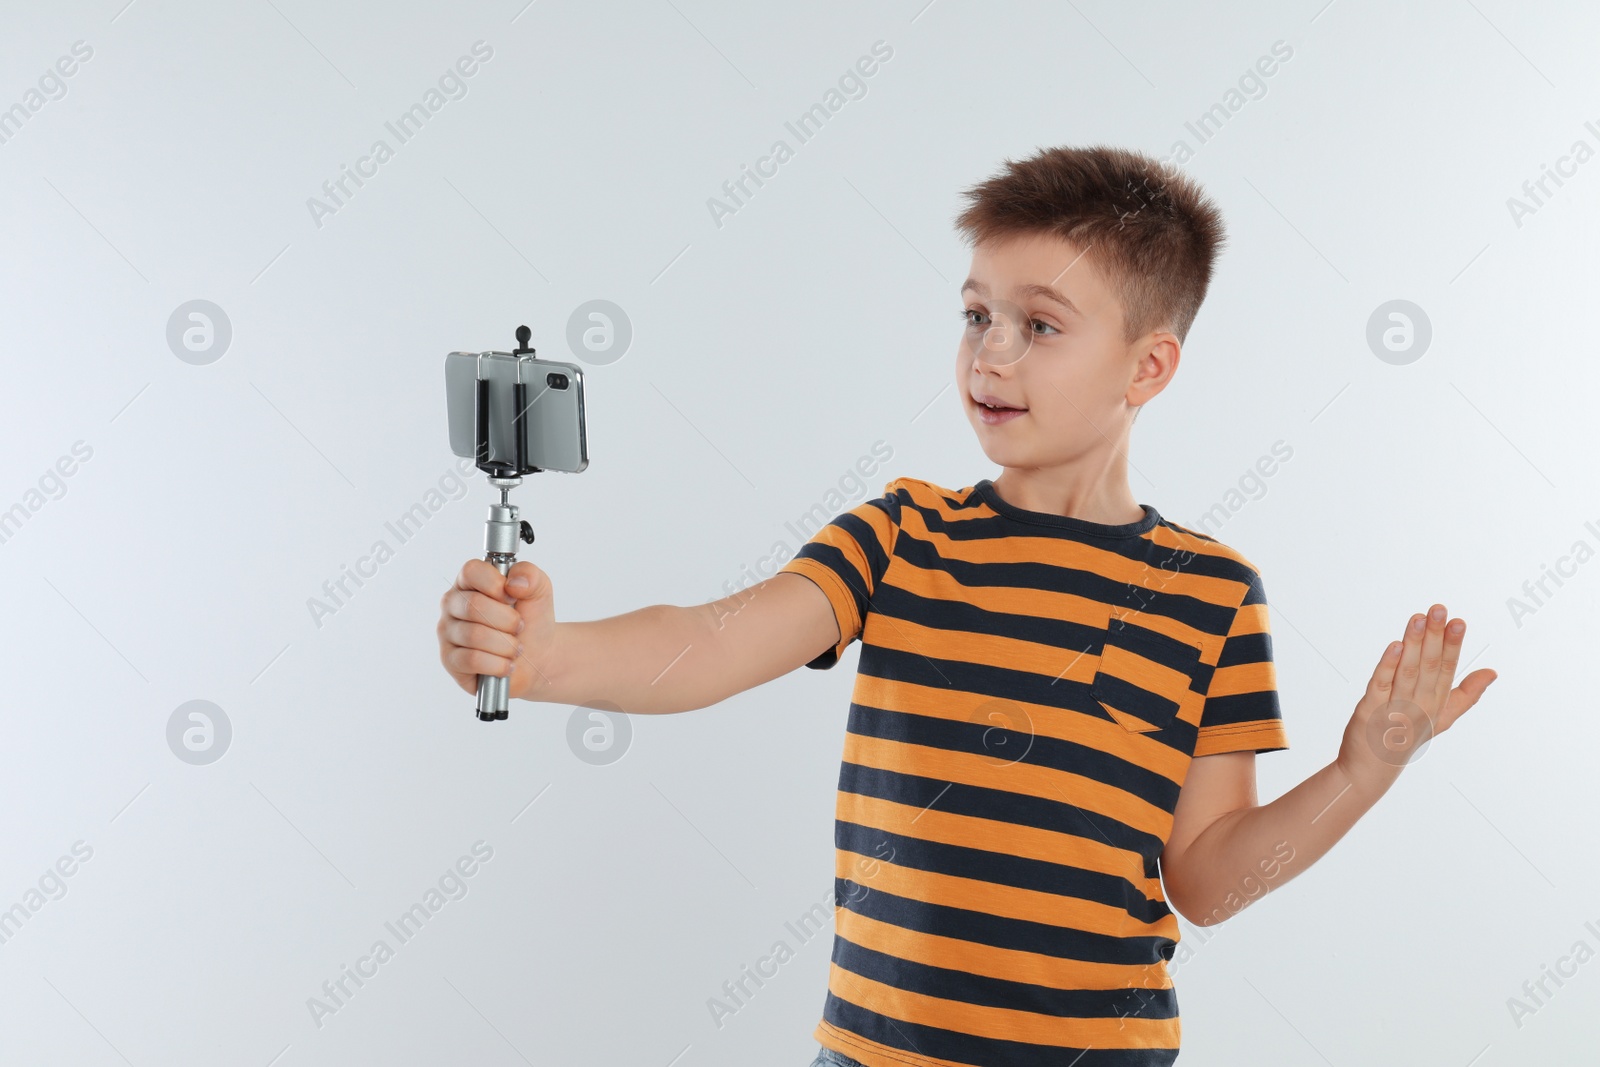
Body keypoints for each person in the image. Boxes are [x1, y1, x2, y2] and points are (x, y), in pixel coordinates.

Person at [436, 144, 1498, 1067]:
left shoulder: (1212, 596)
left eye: (1040, 325)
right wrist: (544, 659)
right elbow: (713, 642)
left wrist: (1361, 771)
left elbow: (1208, 881)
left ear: (1150, 365)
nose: (990, 351)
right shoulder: (903, 534)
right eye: (977, 315)